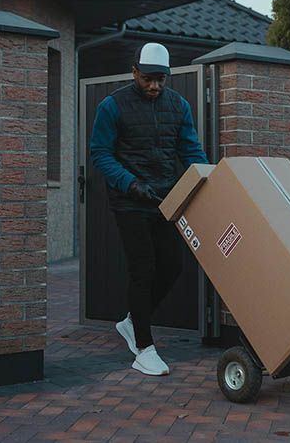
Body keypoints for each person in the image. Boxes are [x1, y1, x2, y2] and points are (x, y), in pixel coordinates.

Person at [90, 42, 208, 376]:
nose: (155, 86)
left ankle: (131, 321)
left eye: (161, 79)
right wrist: (129, 183)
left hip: (165, 199)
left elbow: (191, 150)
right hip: (130, 200)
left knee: (172, 266)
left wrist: (206, 179)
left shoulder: (179, 105)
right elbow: (100, 153)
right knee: (142, 269)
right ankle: (143, 347)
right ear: (135, 72)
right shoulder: (113, 106)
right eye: (148, 79)